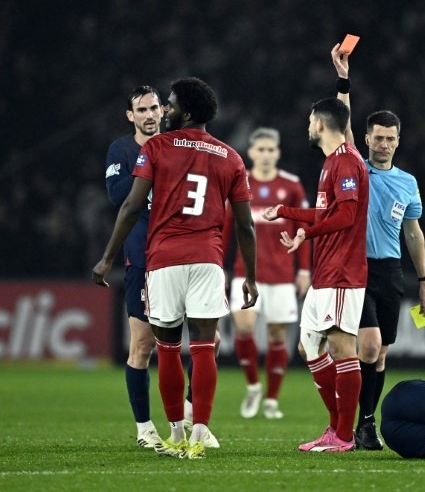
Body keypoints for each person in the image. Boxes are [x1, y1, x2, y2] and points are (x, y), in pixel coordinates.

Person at [93, 77, 258, 460]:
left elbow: (131, 206)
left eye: (167, 104)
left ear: (184, 111)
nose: (163, 110)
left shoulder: (158, 148)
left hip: (164, 259)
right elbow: (246, 225)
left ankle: (174, 433)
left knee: (166, 349)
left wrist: (106, 257)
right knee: (203, 348)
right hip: (208, 258)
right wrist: (250, 275)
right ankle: (198, 432)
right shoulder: (231, 156)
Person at [330, 43, 425, 450]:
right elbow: (343, 125)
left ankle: (364, 425)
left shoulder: (407, 183)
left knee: (381, 354)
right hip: (358, 268)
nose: (384, 144)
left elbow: (414, 233)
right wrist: (343, 79)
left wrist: (424, 280)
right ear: (368, 139)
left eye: (390, 139)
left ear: (398, 140)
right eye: (378, 138)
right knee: (369, 345)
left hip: (391, 270)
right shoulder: (357, 166)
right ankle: (353, 424)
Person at [262, 96, 369, 453]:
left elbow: (347, 217)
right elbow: (326, 214)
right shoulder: (331, 163)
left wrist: (307, 233)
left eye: (311, 120)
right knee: (308, 345)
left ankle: (344, 435)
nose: (308, 126)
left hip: (342, 270)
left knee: (341, 345)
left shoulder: (347, 162)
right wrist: (286, 212)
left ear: (321, 124)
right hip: (326, 270)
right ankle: (337, 427)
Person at [225, 126, 311, 420]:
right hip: (245, 272)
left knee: (276, 336)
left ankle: (272, 399)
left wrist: (304, 270)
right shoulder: (239, 182)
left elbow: (304, 228)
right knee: (245, 328)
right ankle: (252, 386)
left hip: (282, 274)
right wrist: (219, 264)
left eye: (270, 150)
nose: (265, 155)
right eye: (260, 150)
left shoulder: (291, 186)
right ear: (250, 153)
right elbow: (226, 229)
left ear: (278, 153)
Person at [104, 85, 164, 450]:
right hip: (141, 256)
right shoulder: (122, 150)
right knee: (142, 345)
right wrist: (150, 169)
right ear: (131, 116)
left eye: (154, 107)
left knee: (212, 340)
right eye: (141, 110)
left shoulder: (175, 144)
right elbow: (115, 196)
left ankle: (192, 417)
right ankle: (144, 427)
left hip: (181, 255)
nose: (150, 115)